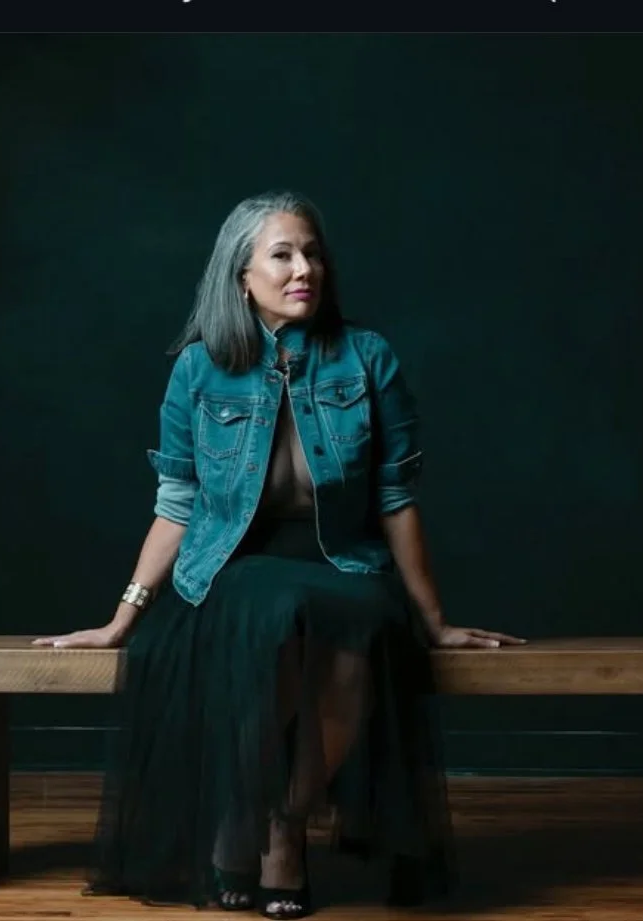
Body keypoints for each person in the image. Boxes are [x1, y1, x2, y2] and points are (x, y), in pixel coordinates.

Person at [33, 190, 525, 918]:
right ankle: (259, 822)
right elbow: (178, 504)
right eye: (283, 255)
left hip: (346, 564)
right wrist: (121, 618)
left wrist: (436, 619)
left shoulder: (367, 357)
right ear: (241, 276)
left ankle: (278, 821)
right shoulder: (199, 368)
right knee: (278, 610)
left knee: (350, 620)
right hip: (232, 567)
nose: (305, 269)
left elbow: (395, 498)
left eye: (313, 252)